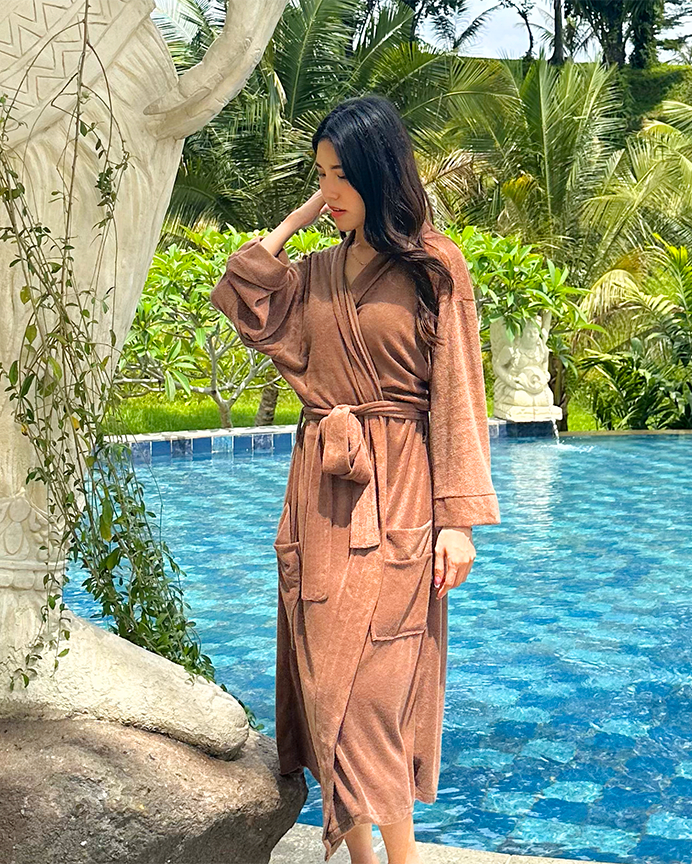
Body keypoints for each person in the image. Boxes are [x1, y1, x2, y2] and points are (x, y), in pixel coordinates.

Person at [210, 94, 501, 864]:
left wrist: (458, 521)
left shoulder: (434, 266)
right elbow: (242, 295)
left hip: (399, 492)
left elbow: (458, 394)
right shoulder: (315, 274)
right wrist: (302, 216)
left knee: (373, 696)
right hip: (321, 501)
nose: (331, 189)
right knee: (325, 682)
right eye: (321, 175)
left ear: (380, 171)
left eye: (343, 174)